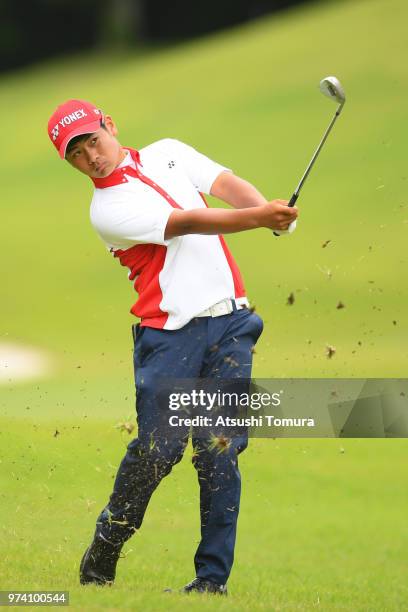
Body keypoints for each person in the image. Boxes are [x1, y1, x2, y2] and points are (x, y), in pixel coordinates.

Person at [47, 99, 298, 596]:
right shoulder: (108, 210)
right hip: (169, 336)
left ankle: (211, 582)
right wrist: (258, 218)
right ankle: (104, 550)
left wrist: (271, 211)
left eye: (92, 141)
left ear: (109, 126)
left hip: (231, 323)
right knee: (157, 453)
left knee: (219, 450)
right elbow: (189, 222)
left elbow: (225, 185)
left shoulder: (169, 151)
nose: (90, 157)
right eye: (76, 154)